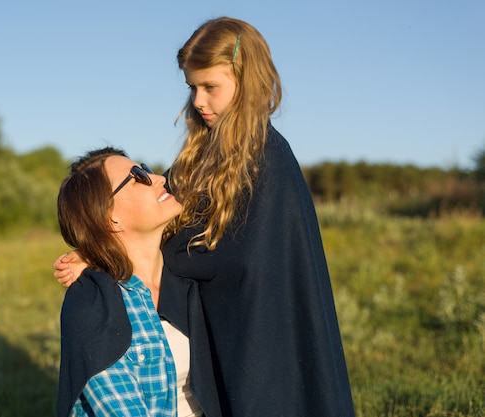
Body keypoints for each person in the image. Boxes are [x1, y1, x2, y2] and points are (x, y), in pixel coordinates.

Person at [55, 17, 355, 416]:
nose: (198, 101)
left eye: (210, 87)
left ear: (246, 83)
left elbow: (241, 259)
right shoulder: (199, 156)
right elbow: (151, 227)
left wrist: (103, 253)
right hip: (212, 337)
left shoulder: (269, 159)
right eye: (192, 87)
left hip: (266, 335)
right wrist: (99, 250)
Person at [55, 147, 217, 417]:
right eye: (137, 177)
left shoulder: (190, 274)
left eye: (146, 169)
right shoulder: (92, 303)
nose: (158, 178)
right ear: (110, 218)